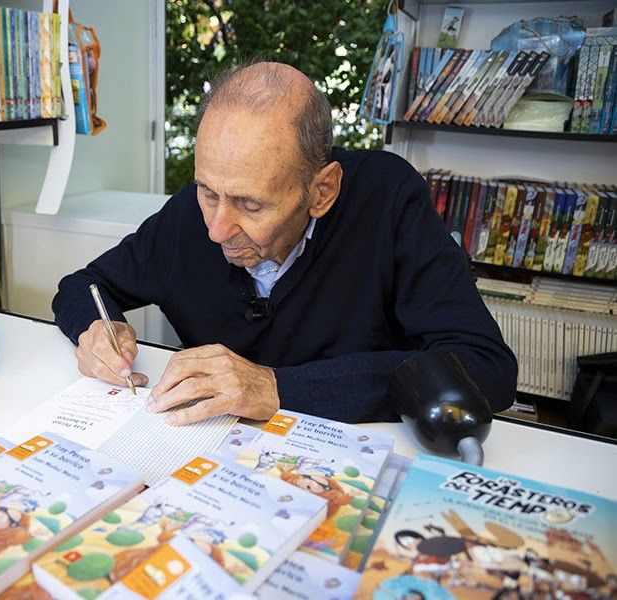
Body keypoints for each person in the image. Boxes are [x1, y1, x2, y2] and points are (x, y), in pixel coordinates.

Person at [51, 61, 517, 425]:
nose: (216, 229)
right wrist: (97, 329)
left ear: (321, 192)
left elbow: (485, 368)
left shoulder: (388, 201)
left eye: (250, 205)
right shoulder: (191, 216)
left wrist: (276, 387)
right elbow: (84, 285)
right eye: (208, 192)